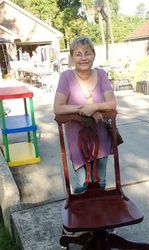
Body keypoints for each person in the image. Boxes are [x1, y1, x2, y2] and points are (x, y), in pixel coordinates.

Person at [54, 36, 116, 193]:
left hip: (101, 138)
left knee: (100, 183)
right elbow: (58, 108)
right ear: (72, 57)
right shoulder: (66, 77)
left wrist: (94, 107)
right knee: (83, 185)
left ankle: (100, 215)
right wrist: (83, 109)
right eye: (78, 54)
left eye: (87, 53)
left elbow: (112, 103)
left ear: (94, 55)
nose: (83, 58)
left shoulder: (101, 74)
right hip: (78, 141)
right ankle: (83, 214)